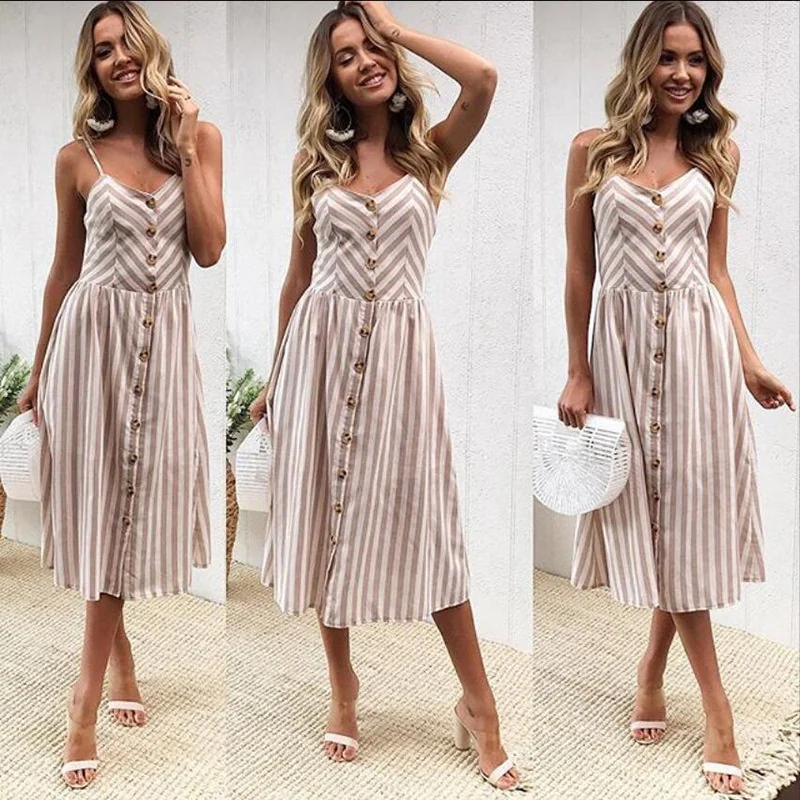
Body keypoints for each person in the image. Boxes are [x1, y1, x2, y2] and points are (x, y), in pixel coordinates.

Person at [249, 0, 519, 790]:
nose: (364, 61)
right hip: (320, 356)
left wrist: (395, 30)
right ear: (330, 79)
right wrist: (276, 377)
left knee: (432, 530)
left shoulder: (430, 156)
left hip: (403, 366)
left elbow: (483, 78)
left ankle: (480, 708)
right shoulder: (315, 166)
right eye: (346, 55)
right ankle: (343, 689)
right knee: (327, 516)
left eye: (372, 49)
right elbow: (298, 280)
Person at [557, 1, 795, 794]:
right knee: (657, 518)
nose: (682, 73)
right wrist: (578, 368)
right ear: (642, 62)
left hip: (700, 354)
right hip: (623, 356)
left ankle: (678, 683)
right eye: (668, 57)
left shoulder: (718, 152)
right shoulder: (591, 151)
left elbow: (716, 271)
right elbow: (580, 271)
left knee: (684, 521)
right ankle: (694, 692)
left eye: (695, 60)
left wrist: (750, 361)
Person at [16, 0, 225, 788]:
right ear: (94, 71)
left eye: (126, 41)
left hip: (161, 350)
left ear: (150, 47)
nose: (118, 57)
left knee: (136, 507)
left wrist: (189, 144)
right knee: (107, 508)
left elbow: (208, 248)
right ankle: (86, 696)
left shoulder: (200, 141)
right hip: (91, 349)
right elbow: (63, 270)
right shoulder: (77, 159)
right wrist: (39, 367)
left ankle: (119, 653)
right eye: (102, 50)